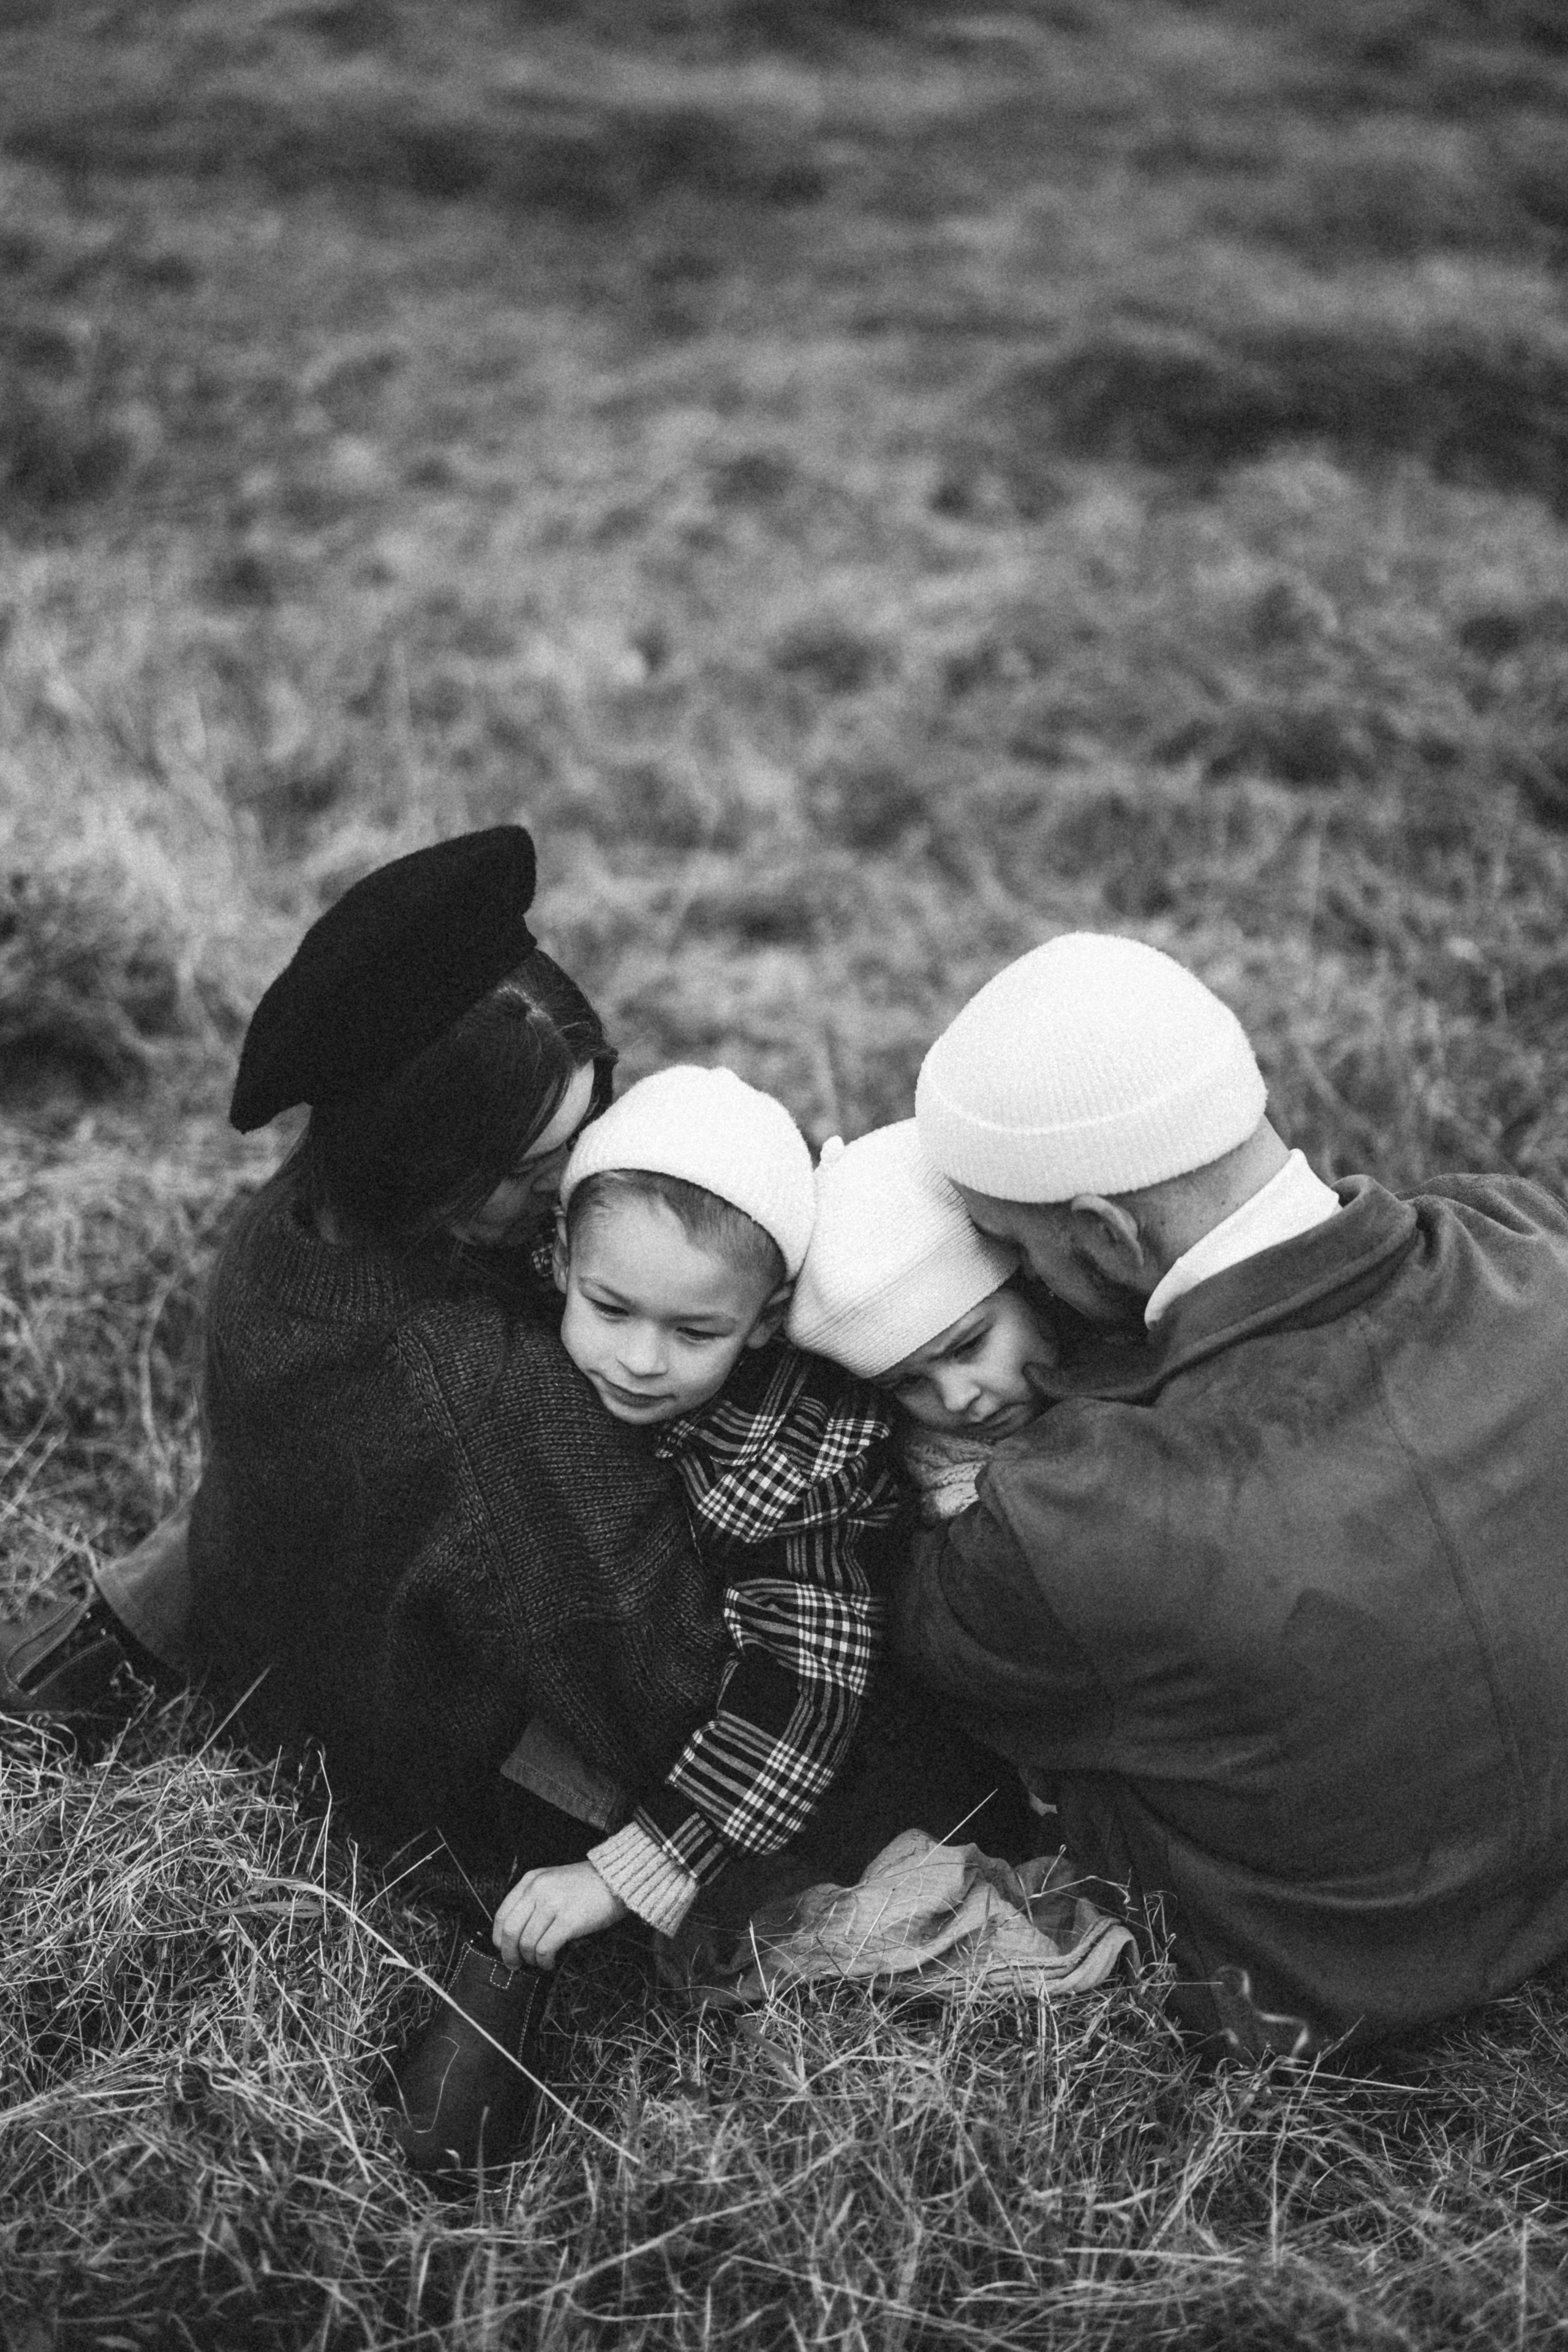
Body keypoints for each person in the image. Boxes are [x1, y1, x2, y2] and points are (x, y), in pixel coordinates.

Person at [0, 826, 734, 2173]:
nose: (572, 1192)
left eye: (589, 1128)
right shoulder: (483, 1393)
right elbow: (664, 1680)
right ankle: (489, 1992)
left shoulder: (285, 1231)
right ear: (426, 1165)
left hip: (309, 1669)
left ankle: (111, 1637)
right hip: (451, 1782)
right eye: (532, 1172)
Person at [894, 927, 1568, 2058]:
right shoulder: (1532, 1248)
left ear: (1105, 1236)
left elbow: (926, 1646)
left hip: (1323, 1980)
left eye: (1019, 1255)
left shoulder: (1071, 1516)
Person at [491, 1063, 903, 1971]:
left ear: (766, 1322)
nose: (640, 1360)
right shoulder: (509, 1316)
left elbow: (805, 1690)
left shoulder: (798, 1465)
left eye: (695, 1333)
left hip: (726, 1731)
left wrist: (629, 1871)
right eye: (609, 1309)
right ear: (560, 1260)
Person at [786, 1119, 1058, 1522]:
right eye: (908, 1383)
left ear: (1031, 1283)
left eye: (968, 1346)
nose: (956, 1400)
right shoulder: (933, 1503)